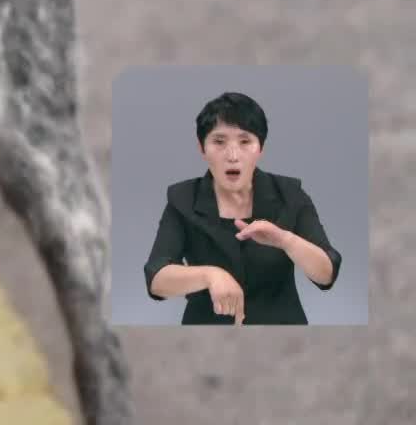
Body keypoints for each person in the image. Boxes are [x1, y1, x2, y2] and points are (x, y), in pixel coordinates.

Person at [142, 91, 341, 326]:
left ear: (261, 148)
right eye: (219, 141)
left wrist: (286, 240)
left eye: (245, 141)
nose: (233, 155)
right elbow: (156, 277)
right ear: (201, 148)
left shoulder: (290, 194)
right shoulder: (182, 199)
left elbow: (327, 274)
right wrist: (210, 275)